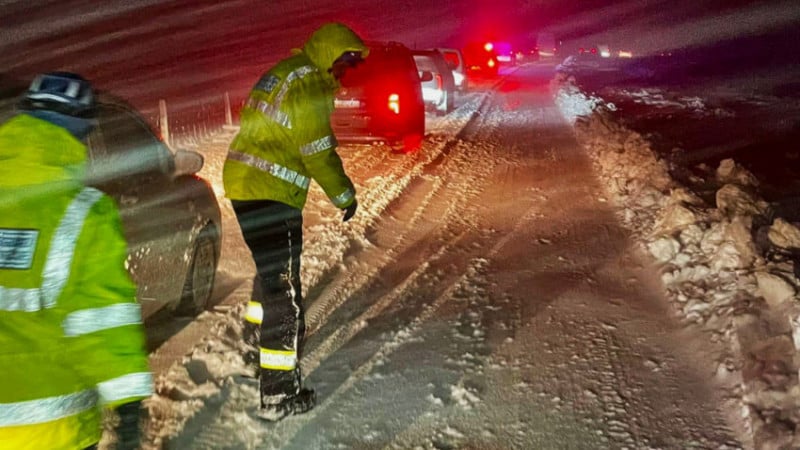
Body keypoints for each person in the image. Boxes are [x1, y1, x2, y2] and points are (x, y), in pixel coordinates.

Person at [222, 22, 368, 421]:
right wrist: (345, 195)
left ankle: (257, 343)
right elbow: (317, 152)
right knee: (285, 289)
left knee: (270, 273)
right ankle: (278, 393)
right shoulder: (309, 85)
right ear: (330, 55)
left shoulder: (285, 72)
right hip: (271, 189)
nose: (344, 74)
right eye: (344, 65)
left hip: (244, 183)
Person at [0, 72, 153, 450]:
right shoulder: (83, 213)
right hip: (48, 429)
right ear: (81, 132)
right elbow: (103, 320)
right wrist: (128, 408)